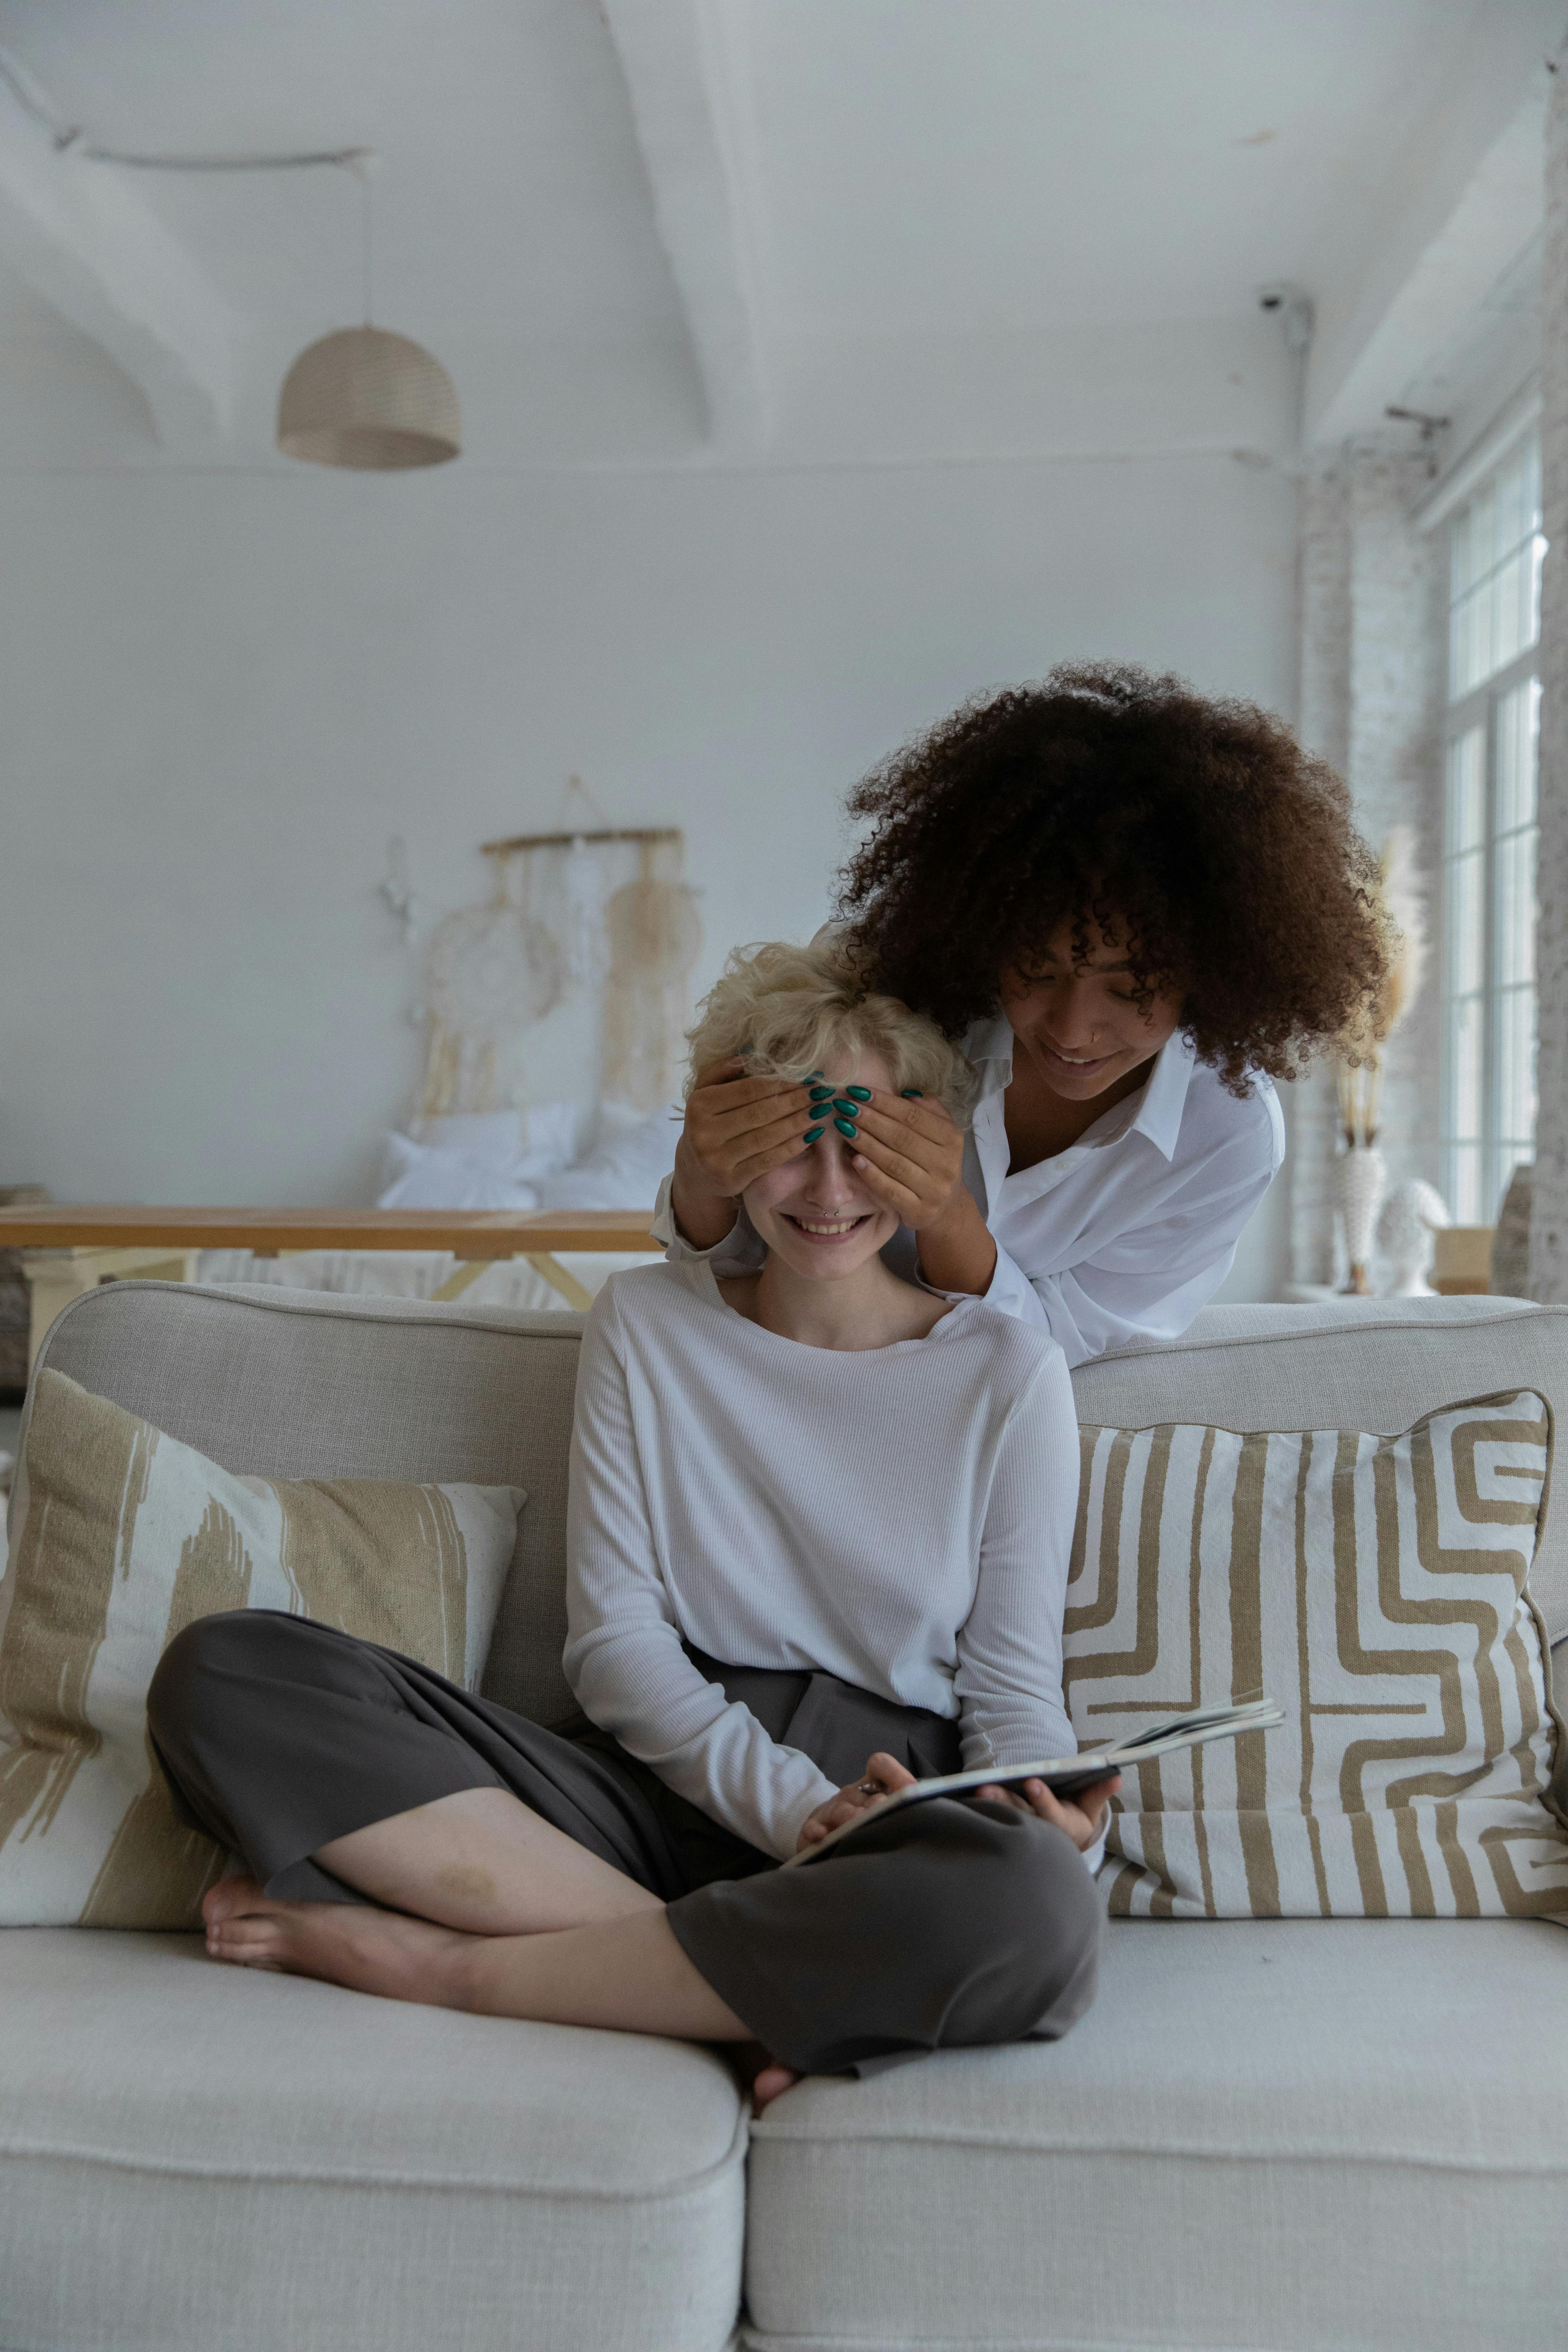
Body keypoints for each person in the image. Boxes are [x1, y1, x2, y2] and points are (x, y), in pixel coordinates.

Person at [146, 945, 1113, 2107]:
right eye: (788, 1138)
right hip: (655, 1786)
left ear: (926, 1155)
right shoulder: (647, 1325)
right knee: (230, 1670)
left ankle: (448, 1966)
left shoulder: (1009, 1369)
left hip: (894, 1801)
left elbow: (1010, 1691)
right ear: (722, 1144)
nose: (828, 1186)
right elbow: (615, 1649)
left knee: (1040, 1908)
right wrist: (797, 1814)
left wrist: (1054, 1827)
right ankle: (719, 1985)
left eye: (864, 1141)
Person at [658, 662, 1391, 1365]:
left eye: (1128, 986)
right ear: (987, 935)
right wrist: (702, 1173)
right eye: (1037, 971)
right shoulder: (882, 990)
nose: (1072, 1030)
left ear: (1209, 970)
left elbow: (1058, 1351)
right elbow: (745, 1260)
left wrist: (946, 1218)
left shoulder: (1224, 1136)